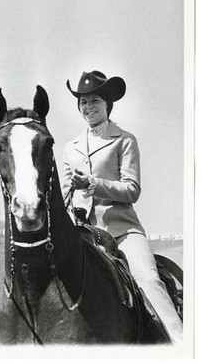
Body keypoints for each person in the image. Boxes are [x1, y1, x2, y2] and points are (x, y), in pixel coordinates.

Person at [61, 70, 183, 344]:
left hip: (122, 231)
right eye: (83, 102)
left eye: (94, 101)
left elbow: (132, 189)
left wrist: (94, 183)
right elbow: (65, 193)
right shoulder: (71, 148)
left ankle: (180, 344)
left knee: (148, 280)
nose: (88, 107)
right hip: (83, 235)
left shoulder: (124, 140)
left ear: (107, 104)